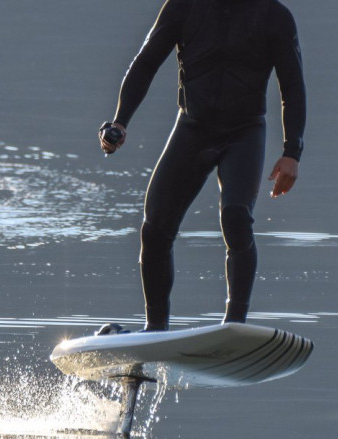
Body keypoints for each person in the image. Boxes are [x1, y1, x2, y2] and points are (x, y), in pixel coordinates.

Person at [99, 0, 306, 329]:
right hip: (192, 129)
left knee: (236, 218)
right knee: (155, 229)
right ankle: (156, 330)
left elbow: (292, 86)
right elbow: (145, 63)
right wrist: (120, 122)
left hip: (244, 133)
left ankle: (233, 327)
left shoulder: (273, 16)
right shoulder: (183, 6)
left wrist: (291, 152)